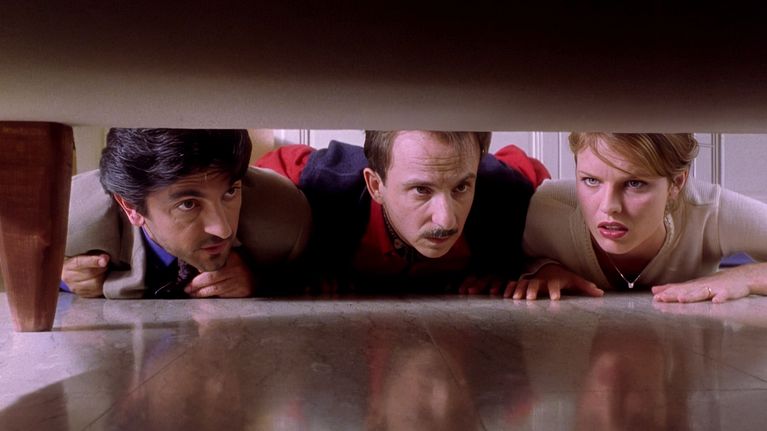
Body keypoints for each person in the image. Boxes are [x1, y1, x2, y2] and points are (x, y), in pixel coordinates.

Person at [255, 130, 549, 293]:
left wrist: (544, 264)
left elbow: (545, 186)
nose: (446, 219)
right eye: (422, 190)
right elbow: (251, 181)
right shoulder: (326, 182)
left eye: (461, 187)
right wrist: (246, 263)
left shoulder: (503, 189)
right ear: (375, 185)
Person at [512, 132, 767, 303]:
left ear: (677, 183)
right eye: (591, 180)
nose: (609, 207)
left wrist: (743, 278)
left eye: (634, 183)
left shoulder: (709, 209)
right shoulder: (549, 208)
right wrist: (542, 267)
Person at [61, 128, 311, 299]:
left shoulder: (286, 218)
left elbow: (315, 276)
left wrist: (261, 280)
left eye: (230, 192)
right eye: (188, 204)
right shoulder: (66, 219)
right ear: (131, 208)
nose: (223, 229)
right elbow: (36, 274)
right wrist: (59, 276)